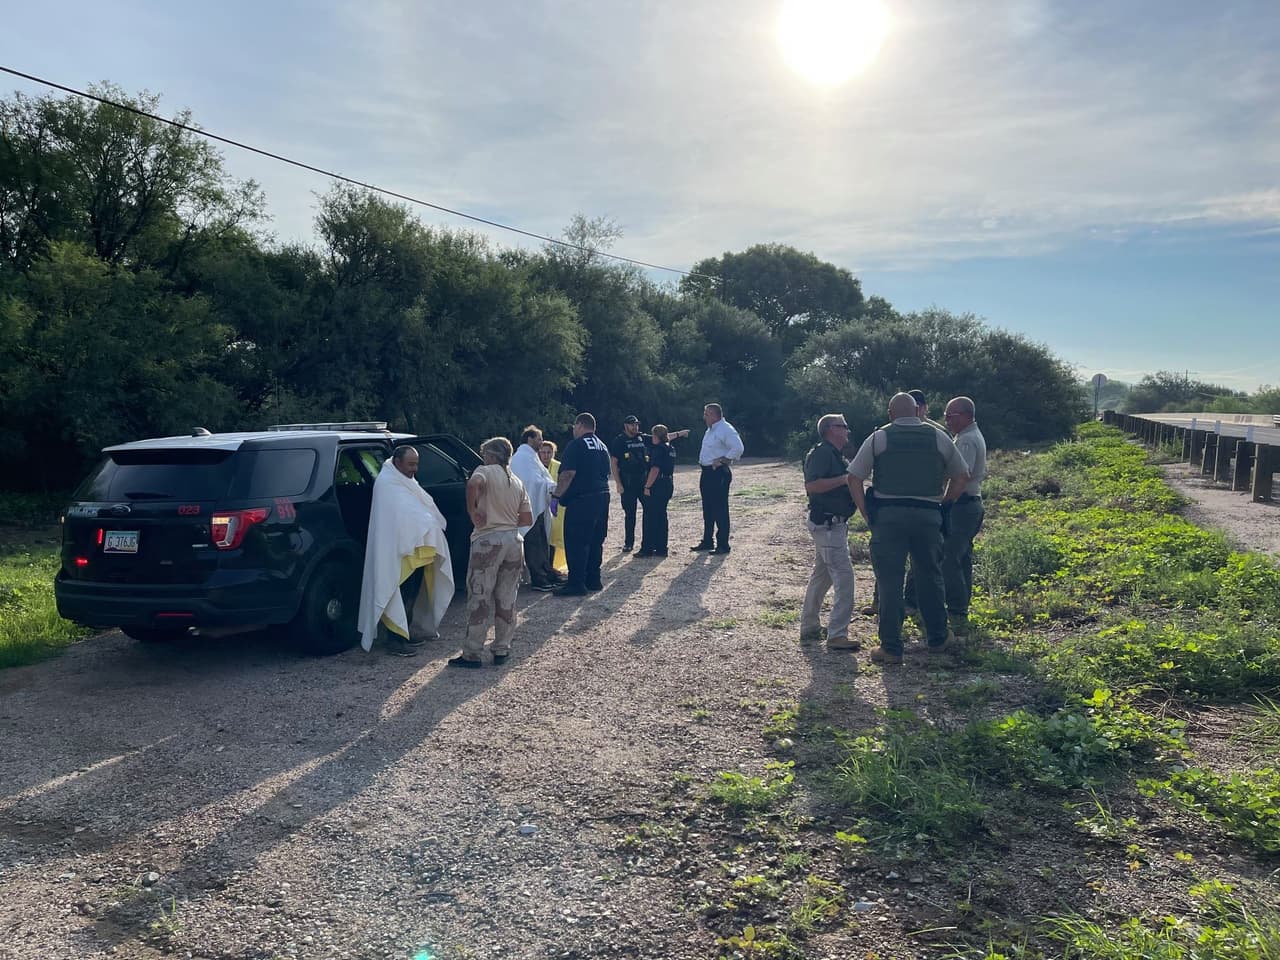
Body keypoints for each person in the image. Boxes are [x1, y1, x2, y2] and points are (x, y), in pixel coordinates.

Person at [846, 393, 969, 666]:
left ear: (890, 413)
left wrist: (866, 513)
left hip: (888, 518)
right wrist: (945, 503)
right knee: (930, 577)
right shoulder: (938, 437)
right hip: (928, 516)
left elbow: (854, 477)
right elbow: (962, 476)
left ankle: (891, 648)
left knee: (890, 582)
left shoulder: (878, 437)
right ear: (916, 411)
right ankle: (938, 638)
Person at [357, 445, 455, 658]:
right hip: (395, 553)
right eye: (411, 464)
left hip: (414, 552)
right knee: (395, 592)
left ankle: (406, 631)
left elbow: (420, 508)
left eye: (416, 464)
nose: (414, 469)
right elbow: (400, 516)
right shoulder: (387, 483)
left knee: (411, 593)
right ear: (397, 462)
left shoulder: (406, 480)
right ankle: (395, 640)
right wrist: (425, 523)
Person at [449, 437, 533, 668]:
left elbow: (472, 484)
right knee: (507, 597)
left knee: (480, 595)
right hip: (514, 541)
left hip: (488, 540)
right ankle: (502, 649)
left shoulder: (485, 470)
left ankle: (473, 653)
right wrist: (506, 521)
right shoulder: (516, 480)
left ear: (490, 456)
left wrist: (473, 510)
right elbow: (527, 518)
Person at [800, 414, 860, 652]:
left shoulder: (833, 453)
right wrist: (844, 479)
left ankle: (810, 626)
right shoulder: (822, 453)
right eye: (843, 426)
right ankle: (837, 634)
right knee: (844, 579)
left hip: (831, 525)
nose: (847, 430)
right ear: (830, 430)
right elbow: (812, 485)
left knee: (821, 577)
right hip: (827, 525)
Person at [551, 413, 611, 596]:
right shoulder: (602, 446)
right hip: (602, 496)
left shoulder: (576, 445)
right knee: (595, 540)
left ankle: (576, 583)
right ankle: (593, 579)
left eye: (574, 427)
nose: (573, 430)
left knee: (576, 541)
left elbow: (568, 473)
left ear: (579, 425)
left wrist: (556, 496)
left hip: (582, 499)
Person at [941, 396, 987, 637]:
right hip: (969, 505)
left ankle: (957, 611)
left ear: (966, 415)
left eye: (951, 415)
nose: (947, 420)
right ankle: (961, 607)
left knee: (950, 559)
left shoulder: (967, 440)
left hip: (963, 505)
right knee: (962, 558)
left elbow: (962, 476)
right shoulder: (966, 436)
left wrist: (946, 502)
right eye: (946, 416)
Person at [510, 425, 561, 592]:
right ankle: (538, 578)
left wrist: (549, 485)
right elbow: (531, 481)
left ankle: (546, 572)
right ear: (530, 439)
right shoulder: (522, 458)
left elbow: (540, 477)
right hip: (528, 507)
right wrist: (551, 486)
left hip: (536, 506)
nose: (542, 441)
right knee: (532, 542)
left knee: (541, 541)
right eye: (539, 438)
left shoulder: (531, 456)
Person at [691, 403, 744, 555]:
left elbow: (738, 448)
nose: (704, 417)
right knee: (708, 508)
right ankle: (707, 540)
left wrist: (723, 460)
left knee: (720, 508)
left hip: (718, 472)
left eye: (706, 414)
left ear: (715, 415)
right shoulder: (711, 430)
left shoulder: (725, 429)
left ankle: (723, 544)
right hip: (707, 472)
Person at [609, 415, 650, 553]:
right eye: (633, 425)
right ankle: (629, 542)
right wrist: (618, 484)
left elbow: (662, 437)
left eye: (637, 424)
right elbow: (614, 463)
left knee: (649, 511)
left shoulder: (642, 438)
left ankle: (648, 542)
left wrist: (680, 434)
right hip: (627, 482)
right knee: (630, 514)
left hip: (643, 481)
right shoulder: (619, 441)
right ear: (626, 425)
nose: (635, 427)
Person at [636, 425, 678, 557]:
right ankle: (661, 548)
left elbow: (655, 469)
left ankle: (647, 548)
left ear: (657, 436)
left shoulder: (658, 450)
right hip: (667, 483)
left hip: (657, 484)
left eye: (653, 435)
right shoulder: (670, 447)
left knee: (650, 517)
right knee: (661, 516)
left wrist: (647, 486)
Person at [540, 440, 567, 574]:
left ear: (553, 453)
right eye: (543, 452)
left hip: (556, 506)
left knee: (554, 536)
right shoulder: (535, 466)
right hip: (539, 504)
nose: (546, 455)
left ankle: (551, 566)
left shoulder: (559, 467)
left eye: (549, 452)